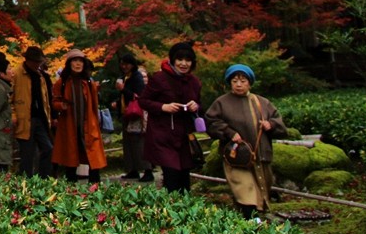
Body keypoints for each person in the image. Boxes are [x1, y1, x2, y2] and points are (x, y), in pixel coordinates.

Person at [205, 64, 288, 219]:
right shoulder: (221, 103)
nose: (238, 84)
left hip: (261, 154)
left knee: (262, 187)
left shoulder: (263, 102)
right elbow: (211, 122)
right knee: (244, 187)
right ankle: (250, 218)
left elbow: (280, 124)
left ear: (249, 83)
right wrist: (229, 132)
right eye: (235, 81)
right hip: (237, 156)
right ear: (229, 83)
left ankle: (253, 218)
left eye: (243, 81)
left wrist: (271, 125)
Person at [139, 41, 202, 193]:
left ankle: (186, 212)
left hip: (184, 137)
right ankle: (170, 211)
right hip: (164, 135)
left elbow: (200, 103)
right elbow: (143, 101)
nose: (184, 63)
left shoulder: (194, 82)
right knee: (172, 175)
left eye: (188, 60)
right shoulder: (159, 78)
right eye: (180, 59)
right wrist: (163, 107)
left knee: (184, 177)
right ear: (173, 60)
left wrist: (195, 106)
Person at [51, 49, 108, 183]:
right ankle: (71, 189)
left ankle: (95, 188)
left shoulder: (88, 82)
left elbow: (94, 105)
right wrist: (61, 106)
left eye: (80, 61)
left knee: (93, 158)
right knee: (70, 157)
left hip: (89, 124)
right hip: (70, 125)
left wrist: (96, 121)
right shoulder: (62, 82)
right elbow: (54, 101)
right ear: (69, 63)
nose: (78, 64)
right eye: (75, 61)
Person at [11, 46, 53, 177]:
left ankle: (43, 178)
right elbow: (10, 97)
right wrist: (14, 115)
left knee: (48, 149)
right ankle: (25, 181)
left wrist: (49, 117)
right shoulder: (17, 73)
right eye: (36, 61)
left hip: (40, 118)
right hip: (24, 119)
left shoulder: (40, 76)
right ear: (28, 60)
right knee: (27, 155)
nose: (38, 64)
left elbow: (45, 99)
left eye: (39, 62)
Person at [116, 52, 153, 182]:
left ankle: (147, 170)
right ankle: (132, 169)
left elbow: (139, 95)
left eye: (127, 64)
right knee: (128, 143)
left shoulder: (136, 77)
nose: (124, 66)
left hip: (136, 114)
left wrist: (123, 89)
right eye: (122, 64)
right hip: (126, 113)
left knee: (138, 142)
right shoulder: (125, 77)